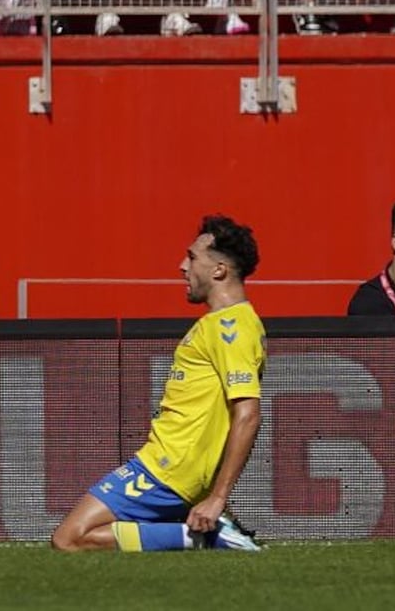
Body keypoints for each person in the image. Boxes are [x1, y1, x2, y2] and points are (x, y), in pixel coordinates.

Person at [51, 215, 266, 553]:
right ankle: (206, 533)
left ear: (219, 271)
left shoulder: (231, 328)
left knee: (70, 538)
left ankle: (211, 538)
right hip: (170, 465)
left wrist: (218, 497)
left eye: (193, 257)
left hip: (169, 469)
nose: (183, 266)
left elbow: (248, 415)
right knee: (75, 537)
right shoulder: (224, 324)